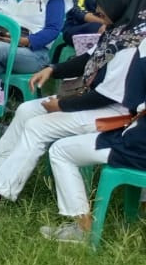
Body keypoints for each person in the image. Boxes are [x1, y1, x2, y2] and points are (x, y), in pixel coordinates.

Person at [0, 0, 146, 209]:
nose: (98, 8)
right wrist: (53, 69)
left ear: (121, 3)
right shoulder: (120, 30)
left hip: (117, 114)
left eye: (104, 3)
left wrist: (61, 106)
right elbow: (89, 59)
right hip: (98, 102)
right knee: (27, 110)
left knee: (39, 127)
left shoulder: (132, 46)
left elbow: (106, 95)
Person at [42, 43, 146, 243]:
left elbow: (130, 99)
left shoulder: (140, 48)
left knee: (60, 150)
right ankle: (139, 213)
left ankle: (82, 228)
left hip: (138, 145)